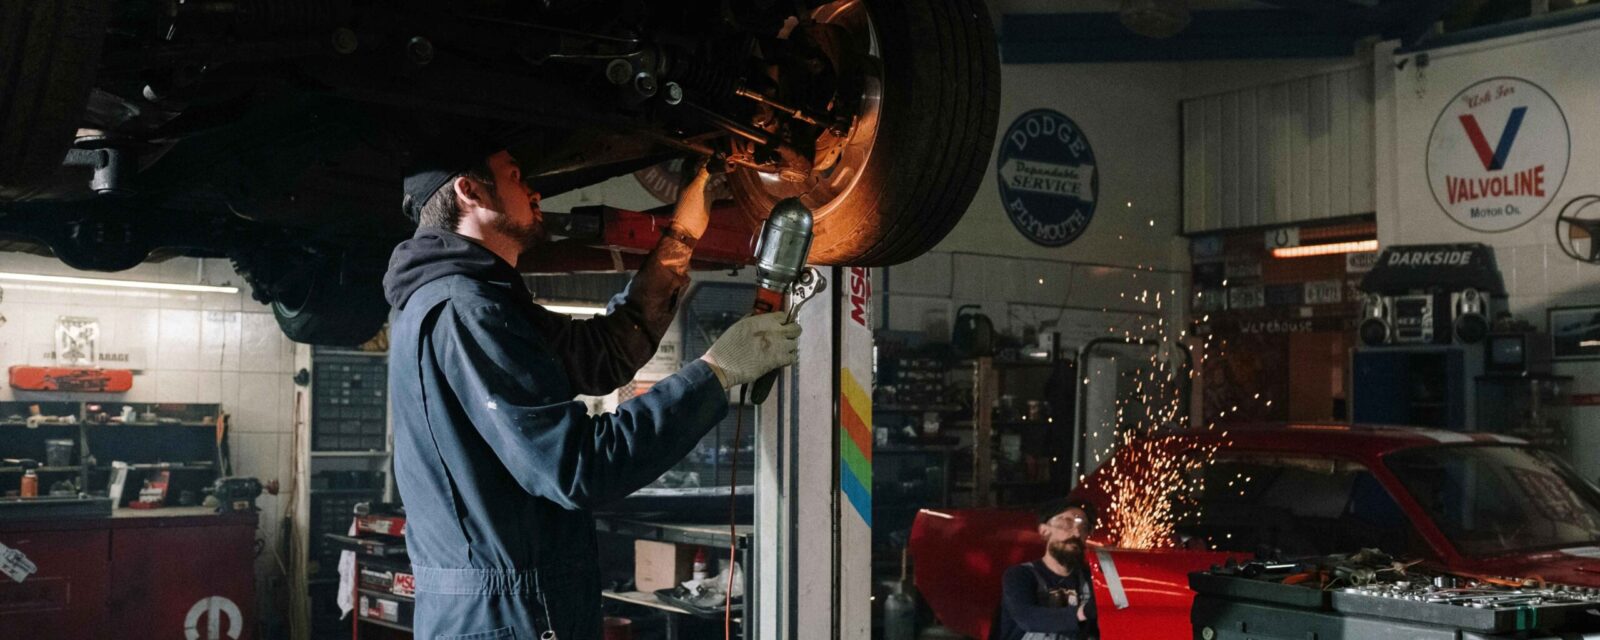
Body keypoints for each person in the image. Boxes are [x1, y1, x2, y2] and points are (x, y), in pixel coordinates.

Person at [383, 144, 800, 640]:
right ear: (469, 191)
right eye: (516, 177)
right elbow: (578, 467)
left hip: (509, 608)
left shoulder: (474, 299)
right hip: (506, 617)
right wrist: (715, 373)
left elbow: (600, 353)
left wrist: (682, 232)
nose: (535, 190)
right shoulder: (466, 309)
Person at [994, 499, 1101, 640]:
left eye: (1083, 528)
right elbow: (1027, 617)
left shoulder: (1092, 580)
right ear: (1044, 530)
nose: (1076, 533)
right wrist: (1083, 613)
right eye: (1067, 523)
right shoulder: (1020, 575)